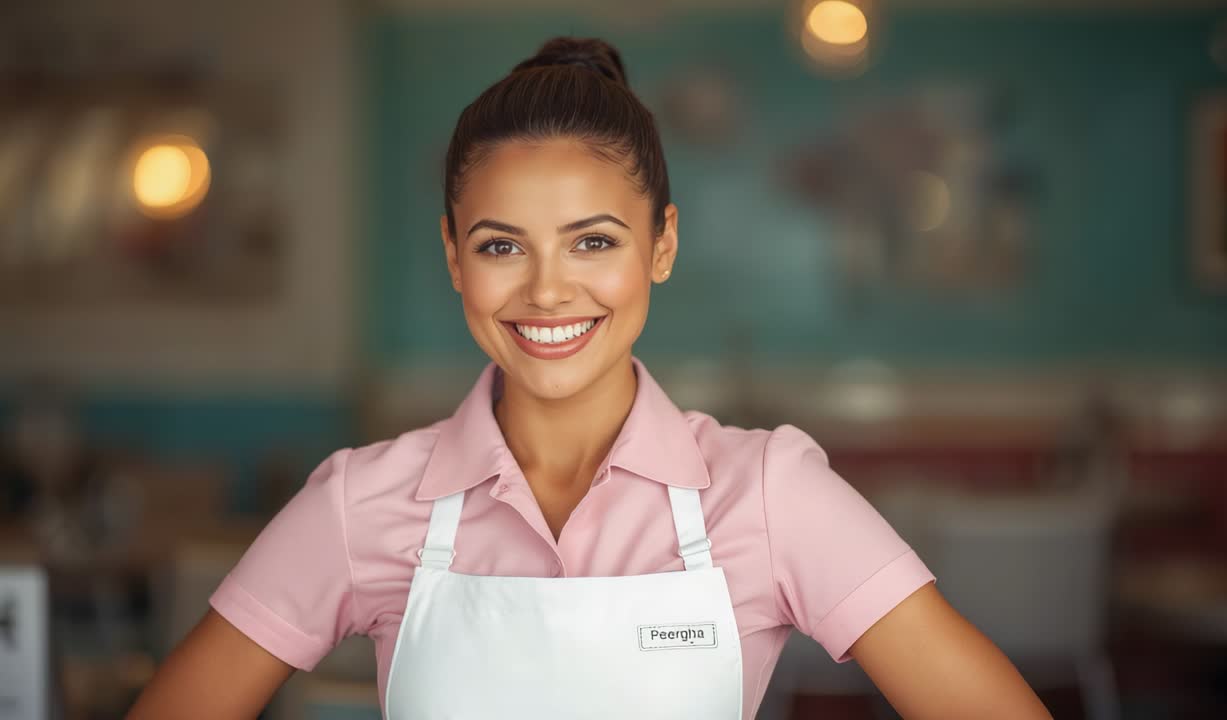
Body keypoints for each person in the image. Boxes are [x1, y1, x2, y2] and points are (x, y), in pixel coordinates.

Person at [128, 36, 1051, 720]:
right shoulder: (359, 503)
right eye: (501, 246)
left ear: (664, 245)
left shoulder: (768, 492)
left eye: (594, 243)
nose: (547, 290)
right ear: (454, 257)